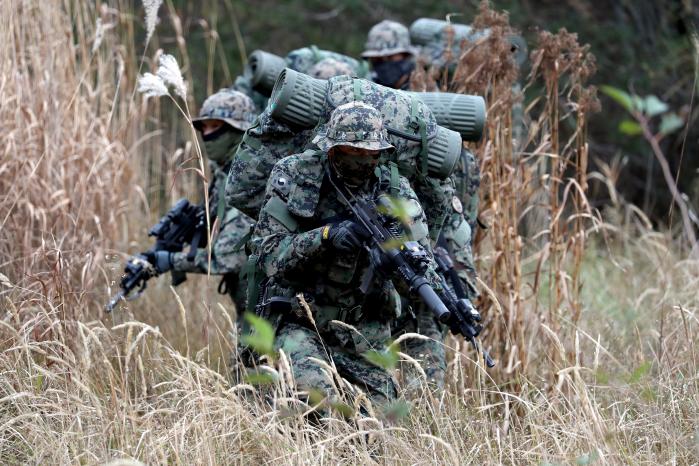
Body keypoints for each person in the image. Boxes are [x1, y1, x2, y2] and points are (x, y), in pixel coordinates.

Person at [248, 102, 450, 406]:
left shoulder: (397, 191)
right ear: (332, 150)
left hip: (364, 331)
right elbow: (267, 252)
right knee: (318, 402)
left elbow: (423, 266)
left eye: (371, 155)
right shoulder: (295, 175)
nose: (363, 162)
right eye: (353, 153)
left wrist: (399, 266)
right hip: (301, 319)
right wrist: (326, 237)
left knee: (378, 432)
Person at [145, 89, 258, 314]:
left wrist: (169, 260)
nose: (207, 135)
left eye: (216, 127)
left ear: (240, 130)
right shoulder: (225, 171)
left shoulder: (249, 177)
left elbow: (226, 258)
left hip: (268, 305)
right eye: (203, 128)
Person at [361, 20, 418, 90]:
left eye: (390, 57)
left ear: (406, 55)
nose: (384, 63)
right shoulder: (364, 88)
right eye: (378, 59)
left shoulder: (424, 87)